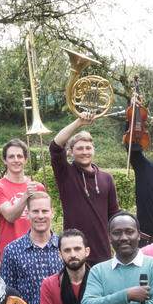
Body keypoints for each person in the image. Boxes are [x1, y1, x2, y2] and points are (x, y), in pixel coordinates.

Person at [51, 112, 120, 263]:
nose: (84, 152)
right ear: (71, 152)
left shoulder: (106, 178)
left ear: (93, 150)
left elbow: (114, 214)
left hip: (102, 251)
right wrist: (79, 122)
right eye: (79, 148)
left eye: (88, 148)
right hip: (73, 251)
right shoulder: (65, 173)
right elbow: (55, 146)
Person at [0, 138, 47, 254]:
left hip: (36, 249)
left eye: (19, 156)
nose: (16, 160)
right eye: (11, 157)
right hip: (10, 251)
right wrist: (26, 195)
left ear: (25, 160)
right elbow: (10, 216)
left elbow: (45, 220)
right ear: (4, 160)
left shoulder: (38, 187)